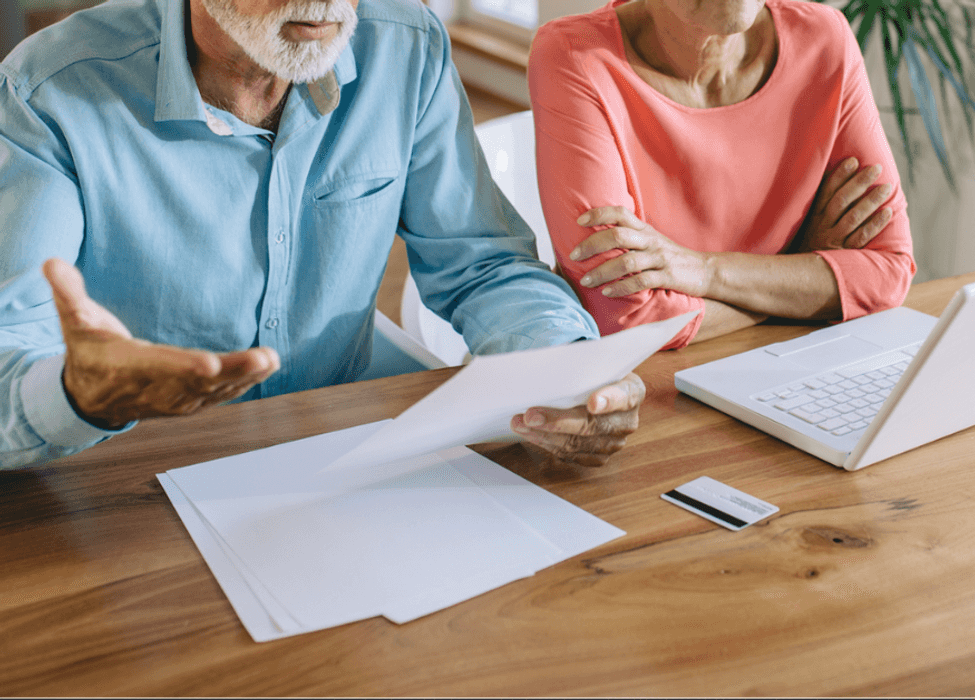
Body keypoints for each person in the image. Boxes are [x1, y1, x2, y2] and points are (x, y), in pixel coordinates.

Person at [0, 0, 644, 470]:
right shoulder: (49, 91)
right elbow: (11, 347)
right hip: (133, 466)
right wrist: (75, 394)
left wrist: (566, 372)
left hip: (345, 444)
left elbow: (482, 263)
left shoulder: (406, 46)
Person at [527, 0, 916, 349]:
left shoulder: (825, 39)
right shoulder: (573, 54)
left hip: (790, 368)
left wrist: (705, 271)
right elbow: (624, 316)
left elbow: (888, 273)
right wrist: (795, 277)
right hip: (645, 391)